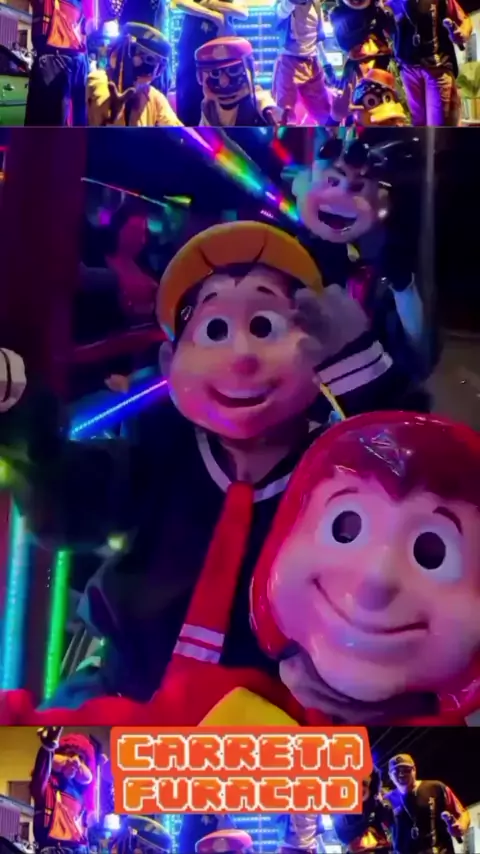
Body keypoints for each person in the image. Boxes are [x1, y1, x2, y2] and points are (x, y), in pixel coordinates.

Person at [0, 221, 410, 723]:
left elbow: (417, 483)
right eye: (214, 330)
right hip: (131, 687)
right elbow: (68, 503)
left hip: (272, 710)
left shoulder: (335, 468)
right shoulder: (159, 447)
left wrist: (365, 378)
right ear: (170, 362)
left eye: (266, 326)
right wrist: (22, 416)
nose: (242, 357)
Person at [292, 135, 436, 408]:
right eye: (332, 181)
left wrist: (403, 288)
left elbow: (418, 348)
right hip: (306, 396)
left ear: (380, 202)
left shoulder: (380, 263)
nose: (341, 197)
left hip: (369, 393)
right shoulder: (290, 256)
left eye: (357, 187)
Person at [387, 0, 472, 126]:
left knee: (438, 124)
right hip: (408, 70)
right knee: (418, 124)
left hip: (437, 68)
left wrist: (462, 33)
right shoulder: (392, 3)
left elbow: (464, 20)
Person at [87, 23, 182, 126]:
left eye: (152, 61)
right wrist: (113, 115)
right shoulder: (99, 79)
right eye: (141, 56)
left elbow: (179, 131)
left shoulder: (152, 95)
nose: (147, 68)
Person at [175, 0, 249, 125]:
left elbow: (243, 12)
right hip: (192, 48)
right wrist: (214, 16)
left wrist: (210, 3)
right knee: (190, 102)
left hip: (222, 52)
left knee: (222, 100)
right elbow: (180, 2)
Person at [30, 727, 98, 854]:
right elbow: (41, 773)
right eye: (70, 754)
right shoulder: (48, 785)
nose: (76, 761)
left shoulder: (82, 796)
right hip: (54, 849)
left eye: (81, 758)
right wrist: (48, 748)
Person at [25, 0, 93, 125]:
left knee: (47, 127)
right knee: (76, 122)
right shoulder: (84, 5)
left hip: (56, 62)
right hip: (76, 60)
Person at [386, 754, 470, 854]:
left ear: (414, 769)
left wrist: (461, 826)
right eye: (396, 771)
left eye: (406, 769)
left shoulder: (437, 788)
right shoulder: (386, 800)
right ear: (390, 775)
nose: (401, 774)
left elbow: (463, 813)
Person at [195, 37, 282, 127]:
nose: (224, 82)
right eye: (215, 73)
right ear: (200, 77)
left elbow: (263, 102)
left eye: (234, 70)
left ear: (253, 69)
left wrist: (274, 114)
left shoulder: (255, 99)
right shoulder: (209, 107)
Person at [273, 0, 335, 124]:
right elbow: (281, 11)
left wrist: (327, 65)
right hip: (289, 63)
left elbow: (317, 40)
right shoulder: (286, 5)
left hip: (312, 62)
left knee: (323, 112)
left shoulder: (316, 6)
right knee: (286, 113)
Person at [330, 0, 394, 91]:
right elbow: (345, 46)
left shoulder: (377, 12)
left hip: (380, 67)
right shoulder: (339, 14)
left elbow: (391, 35)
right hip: (357, 71)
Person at [333, 769, 393, 852]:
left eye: (363, 783)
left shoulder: (379, 806)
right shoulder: (342, 811)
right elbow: (343, 835)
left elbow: (393, 826)